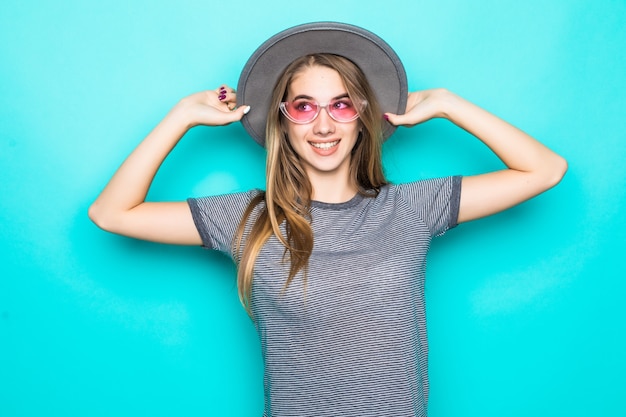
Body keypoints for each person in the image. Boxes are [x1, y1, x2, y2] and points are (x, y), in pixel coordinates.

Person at [89, 23, 566, 417]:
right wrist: (181, 116)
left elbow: (545, 169)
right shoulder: (249, 217)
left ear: (363, 117)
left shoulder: (413, 208)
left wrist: (447, 103)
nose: (323, 125)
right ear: (283, 121)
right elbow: (111, 213)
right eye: (304, 107)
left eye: (341, 105)